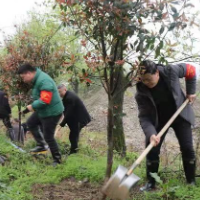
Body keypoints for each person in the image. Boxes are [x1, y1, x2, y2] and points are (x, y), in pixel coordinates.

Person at [135, 60, 196, 191]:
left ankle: (191, 182)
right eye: (143, 80)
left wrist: (191, 91)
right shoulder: (141, 92)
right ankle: (151, 183)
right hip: (159, 119)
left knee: (187, 148)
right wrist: (151, 133)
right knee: (151, 149)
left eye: (149, 80)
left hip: (180, 114)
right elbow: (144, 116)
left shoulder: (170, 71)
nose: (147, 83)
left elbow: (191, 70)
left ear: (157, 72)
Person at [18, 63, 64, 166]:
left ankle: (57, 159)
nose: (23, 80)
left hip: (52, 112)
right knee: (31, 122)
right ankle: (41, 145)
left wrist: (32, 106)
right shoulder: (37, 80)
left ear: (29, 73)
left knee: (48, 136)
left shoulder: (43, 80)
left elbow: (44, 100)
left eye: (23, 77)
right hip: (44, 110)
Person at [57, 84, 91, 154]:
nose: (59, 94)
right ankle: (74, 150)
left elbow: (68, 113)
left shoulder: (69, 97)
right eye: (58, 92)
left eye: (60, 92)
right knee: (74, 135)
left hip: (80, 119)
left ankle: (74, 152)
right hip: (76, 119)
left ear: (65, 89)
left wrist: (62, 123)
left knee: (73, 136)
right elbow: (65, 111)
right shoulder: (67, 97)